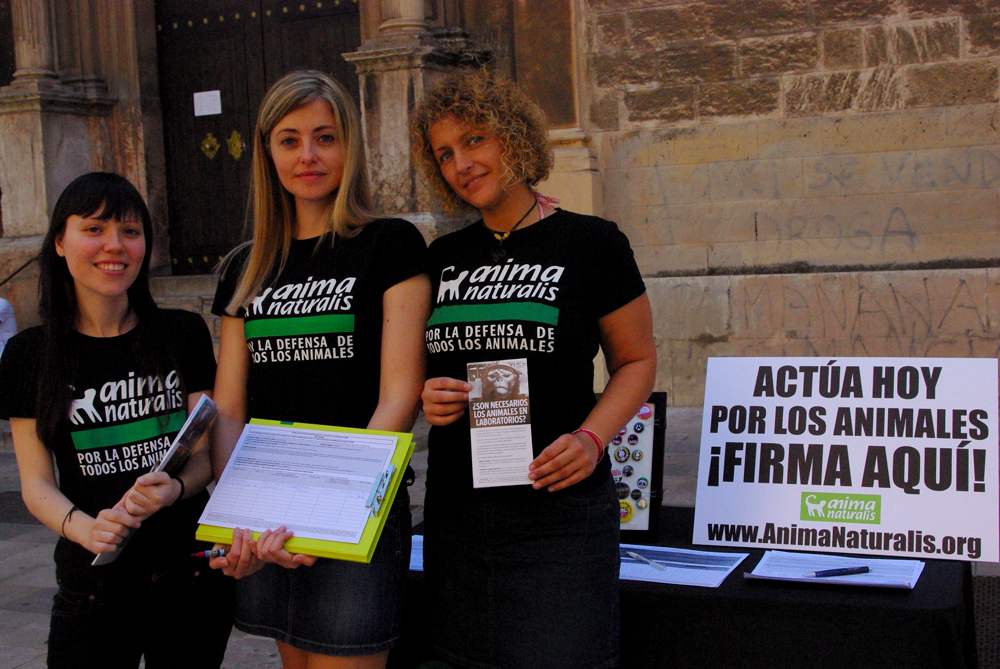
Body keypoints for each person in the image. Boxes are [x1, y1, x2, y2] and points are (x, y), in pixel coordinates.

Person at [412, 68, 657, 669]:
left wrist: (592, 439)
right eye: (445, 154)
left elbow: (637, 360)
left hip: (559, 516)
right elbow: (425, 370)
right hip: (457, 516)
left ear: (513, 135)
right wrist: (428, 396)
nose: (461, 163)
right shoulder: (442, 258)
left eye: (475, 140)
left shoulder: (592, 243)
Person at [209, 70, 430, 669]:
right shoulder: (245, 268)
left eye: (325, 137)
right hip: (268, 514)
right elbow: (230, 406)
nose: (307, 155)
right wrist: (238, 516)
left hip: (354, 508)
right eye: (289, 140)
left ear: (348, 146)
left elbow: (400, 396)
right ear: (267, 152)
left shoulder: (390, 245)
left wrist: (333, 509)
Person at [0, 172, 234, 668]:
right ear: (59, 242)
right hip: (93, 587)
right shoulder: (29, 354)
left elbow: (206, 456)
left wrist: (176, 489)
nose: (115, 245)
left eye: (130, 231)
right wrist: (86, 529)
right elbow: (36, 484)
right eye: (94, 228)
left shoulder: (182, 333)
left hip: (189, 577)